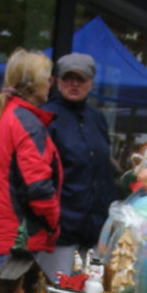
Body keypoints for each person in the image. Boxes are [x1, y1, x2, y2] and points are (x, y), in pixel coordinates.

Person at [0, 48, 61, 293]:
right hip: (18, 235)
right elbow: (38, 187)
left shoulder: (2, 117)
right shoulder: (25, 122)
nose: (51, 83)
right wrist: (53, 223)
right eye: (47, 78)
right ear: (35, 84)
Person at [40, 52, 119, 278]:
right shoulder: (47, 115)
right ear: (57, 81)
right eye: (68, 78)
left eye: (81, 79)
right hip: (60, 229)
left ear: (91, 83)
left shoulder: (97, 118)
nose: (74, 84)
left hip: (95, 228)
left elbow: (103, 169)